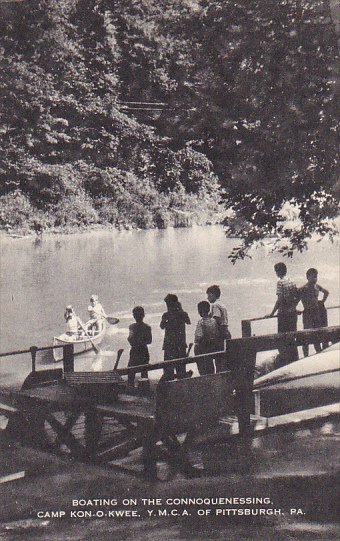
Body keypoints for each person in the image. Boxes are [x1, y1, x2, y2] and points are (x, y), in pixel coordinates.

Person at [266, 262, 299, 366]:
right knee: (292, 338)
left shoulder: (280, 282)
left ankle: (285, 362)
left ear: (279, 271)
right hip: (292, 313)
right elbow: (297, 295)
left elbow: (279, 300)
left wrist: (272, 313)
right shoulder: (292, 281)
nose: (276, 273)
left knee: (282, 339)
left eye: (276, 271)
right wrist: (293, 307)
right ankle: (294, 361)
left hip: (284, 315)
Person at [298, 268, 329, 357]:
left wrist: (322, 302)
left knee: (317, 337)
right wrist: (296, 309)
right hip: (307, 314)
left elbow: (327, 292)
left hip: (316, 314)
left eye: (316, 277)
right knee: (306, 336)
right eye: (313, 277)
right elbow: (296, 300)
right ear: (307, 277)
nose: (315, 279)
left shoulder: (317, 286)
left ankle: (319, 354)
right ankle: (305, 356)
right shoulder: (303, 288)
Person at [160, 294, 191, 380]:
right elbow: (188, 322)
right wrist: (180, 309)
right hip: (180, 345)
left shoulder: (166, 315)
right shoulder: (183, 314)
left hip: (169, 345)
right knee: (181, 370)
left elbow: (162, 326)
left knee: (168, 371)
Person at [206, 285, 230, 372]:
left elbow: (216, 319)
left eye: (208, 295)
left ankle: (219, 374)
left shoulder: (215, 305)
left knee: (218, 357)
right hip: (226, 331)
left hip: (220, 333)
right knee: (225, 356)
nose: (207, 298)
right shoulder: (222, 304)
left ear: (212, 295)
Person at [127, 306, 152, 388]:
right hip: (144, 350)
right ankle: (145, 389)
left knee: (131, 372)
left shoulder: (132, 327)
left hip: (134, 350)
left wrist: (135, 342)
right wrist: (141, 342)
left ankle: (130, 388)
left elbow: (130, 339)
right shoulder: (147, 327)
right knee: (144, 371)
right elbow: (149, 341)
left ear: (134, 316)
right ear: (143, 315)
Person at [194, 301, 219, 375]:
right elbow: (216, 333)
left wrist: (196, 343)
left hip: (203, 347)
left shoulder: (201, 322)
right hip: (212, 346)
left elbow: (198, 336)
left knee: (202, 367)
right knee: (210, 365)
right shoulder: (213, 321)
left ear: (199, 311)